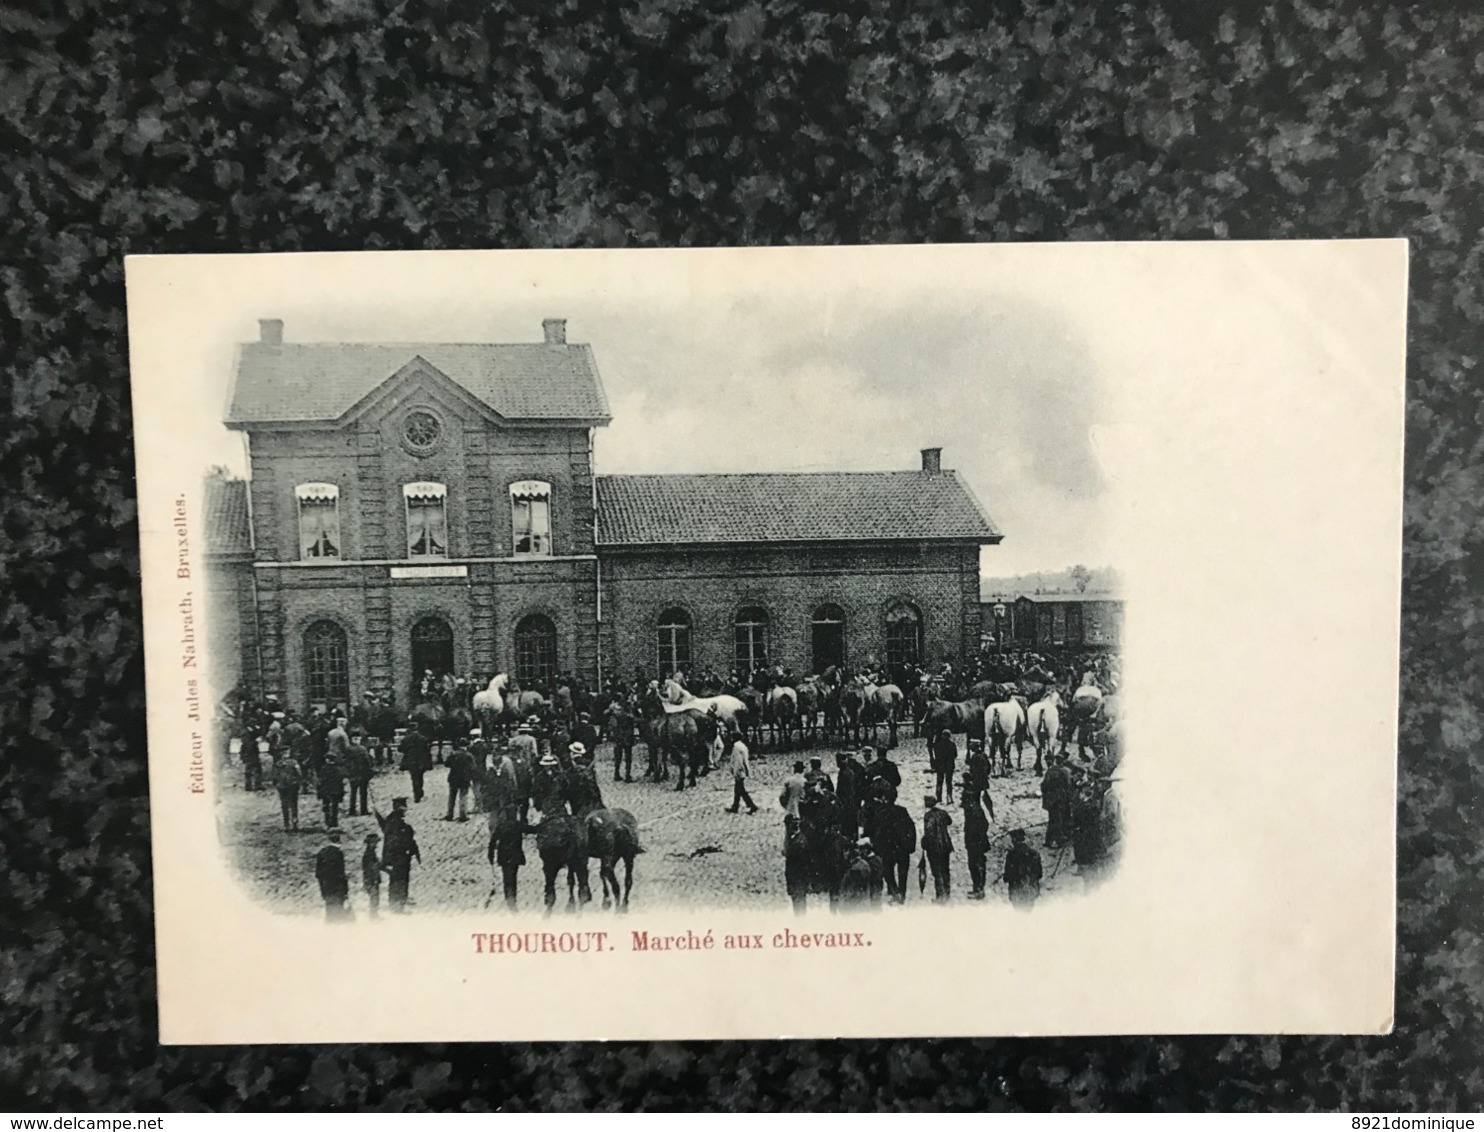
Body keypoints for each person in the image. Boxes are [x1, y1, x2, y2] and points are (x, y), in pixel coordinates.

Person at [377, 798, 421, 913]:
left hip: (399, 856)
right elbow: (395, 840)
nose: (405, 811)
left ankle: (401, 899)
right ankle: (397, 904)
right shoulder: (395, 822)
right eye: (403, 808)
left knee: (400, 879)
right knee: (399, 879)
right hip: (398, 856)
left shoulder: (392, 820)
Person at [961, 776, 990, 899]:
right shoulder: (973, 809)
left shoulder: (974, 811)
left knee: (976, 865)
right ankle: (978, 888)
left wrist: (976, 838)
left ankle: (979, 889)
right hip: (975, 842)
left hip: (975, 843)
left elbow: (984, 825)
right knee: (976, 865)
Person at [921, 794, 954, 903]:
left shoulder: (928, 816)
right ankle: (947, 893)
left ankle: (940, 896)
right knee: (945, 870)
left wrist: (924, 843)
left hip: (934, 848)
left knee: (937, 872)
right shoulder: (943, 813)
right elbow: (950, 821)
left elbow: (929, 832)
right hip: (945, 845)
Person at [315, 828, 352, 921]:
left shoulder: (322, 852)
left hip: (327, 888)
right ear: (339, 839)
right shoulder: (338, 854)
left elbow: (318, 873)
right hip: (337, 890)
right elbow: (340, 874)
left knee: (330, 915)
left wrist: (323, 889)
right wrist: (345, 891)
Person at [1003, 828, 1043, 909]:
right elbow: (1039, 874)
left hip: (1016, 891)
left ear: (1014, 840)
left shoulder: (1011, 855)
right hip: (1031, 889)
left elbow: (1008, 875)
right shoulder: (1034, 853)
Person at [1041, 754, 1074, 850]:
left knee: (1052, 819)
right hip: (1061, 800)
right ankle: (1059, 841)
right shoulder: (1064, 771)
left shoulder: (1050, 771)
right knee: (1060, 820)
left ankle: (1048, 840)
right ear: (1063, 761)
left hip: (1051, 800)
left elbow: (1044, 786)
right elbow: (1068, 786)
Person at [724, 729, 758, 814]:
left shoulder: (736, 747)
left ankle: (751, 805)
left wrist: (736, 771)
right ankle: (736, 806)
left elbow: (738, 761)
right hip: (742, 770)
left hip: (739, 771)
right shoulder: (742, 746)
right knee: (738, 790)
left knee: (740, 790)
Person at [271, 744, 303, 832]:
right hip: (292, 785)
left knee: (284, 805)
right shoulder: (293, 762)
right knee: (293, 804)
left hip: (282, 786)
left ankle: (286, 824)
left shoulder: (278, 763)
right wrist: (299, 782)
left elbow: (274, 776)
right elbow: (299, 773)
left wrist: (276, 784)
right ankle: (295, 822)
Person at [399, 722, 432, 804]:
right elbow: (427, 750)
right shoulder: (423, 738)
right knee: (420, 776)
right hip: (421, 761)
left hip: (411, 761)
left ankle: (416, 794)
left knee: (414, 777)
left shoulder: (406, 739)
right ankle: (419, 790)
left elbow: (400, 749)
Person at [778, 760, 806, 854]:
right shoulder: (805, 782)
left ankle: (787, 849)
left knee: (788, 833)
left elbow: (782, 796)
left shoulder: (789, 781)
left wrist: (786, 806)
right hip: (802, 810)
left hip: (790, 809)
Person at [445, 739, 475, 822]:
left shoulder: (453, 754)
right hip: (464, 778)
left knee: (452, 797)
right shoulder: (469, 755)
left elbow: (446, 764)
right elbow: (473, 767)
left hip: (453, 777)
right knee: (463, 796)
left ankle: (449, 814)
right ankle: (462, 815)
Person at [344, 735, 373, 817]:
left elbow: (346, 762)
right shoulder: (362, 749)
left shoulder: (348, 749)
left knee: (353, 792)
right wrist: (369, 771)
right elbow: (367, 761)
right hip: (362, 773)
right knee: (363, 793)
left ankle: (352, 810)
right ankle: (363, 810)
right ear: (359, 740)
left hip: (353, 774)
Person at [317, 745, 345, 829]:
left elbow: (320, 782)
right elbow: (341, 782)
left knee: (326, 807)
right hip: (336, 791)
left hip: (326, 791)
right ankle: (334, 823)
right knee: (335, 807)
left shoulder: (323, 769)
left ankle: (328, 822)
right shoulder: (338, 769)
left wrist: (319, 792)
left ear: (327, 760)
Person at [932, 729, 959, 802]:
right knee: (949, 782)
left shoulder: (938, 745)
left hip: (940, 765)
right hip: (949, 765)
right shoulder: (952, 744)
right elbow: (955, 755)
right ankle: (949, 797)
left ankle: (939, 796)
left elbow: (936, 755)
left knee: (939, 782)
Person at [361, 833, 382, 919]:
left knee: (375, 898)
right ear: (370, 843)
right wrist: (374, 880)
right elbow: (370, 869)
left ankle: (374, 915)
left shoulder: (370, 853)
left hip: (371, 879)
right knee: (374, 898)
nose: (375, 845)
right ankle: (373, 917)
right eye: (374, 843)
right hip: (371, 879)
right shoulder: (369, 854)